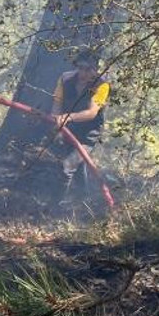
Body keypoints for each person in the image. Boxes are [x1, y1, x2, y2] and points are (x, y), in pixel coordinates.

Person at [50, 49, 109, 203]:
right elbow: (57, 103)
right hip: (69, 129)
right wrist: (56, 122)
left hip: (89, 133)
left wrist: (67, 118)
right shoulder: (65, 79)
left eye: (88, 69)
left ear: (95, 69)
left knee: (67, 166)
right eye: (80, 67)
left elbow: (91, 112)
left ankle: (53, 206)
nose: (83, 73)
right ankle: (84, 199)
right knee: (77, 165)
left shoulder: (102, 85)